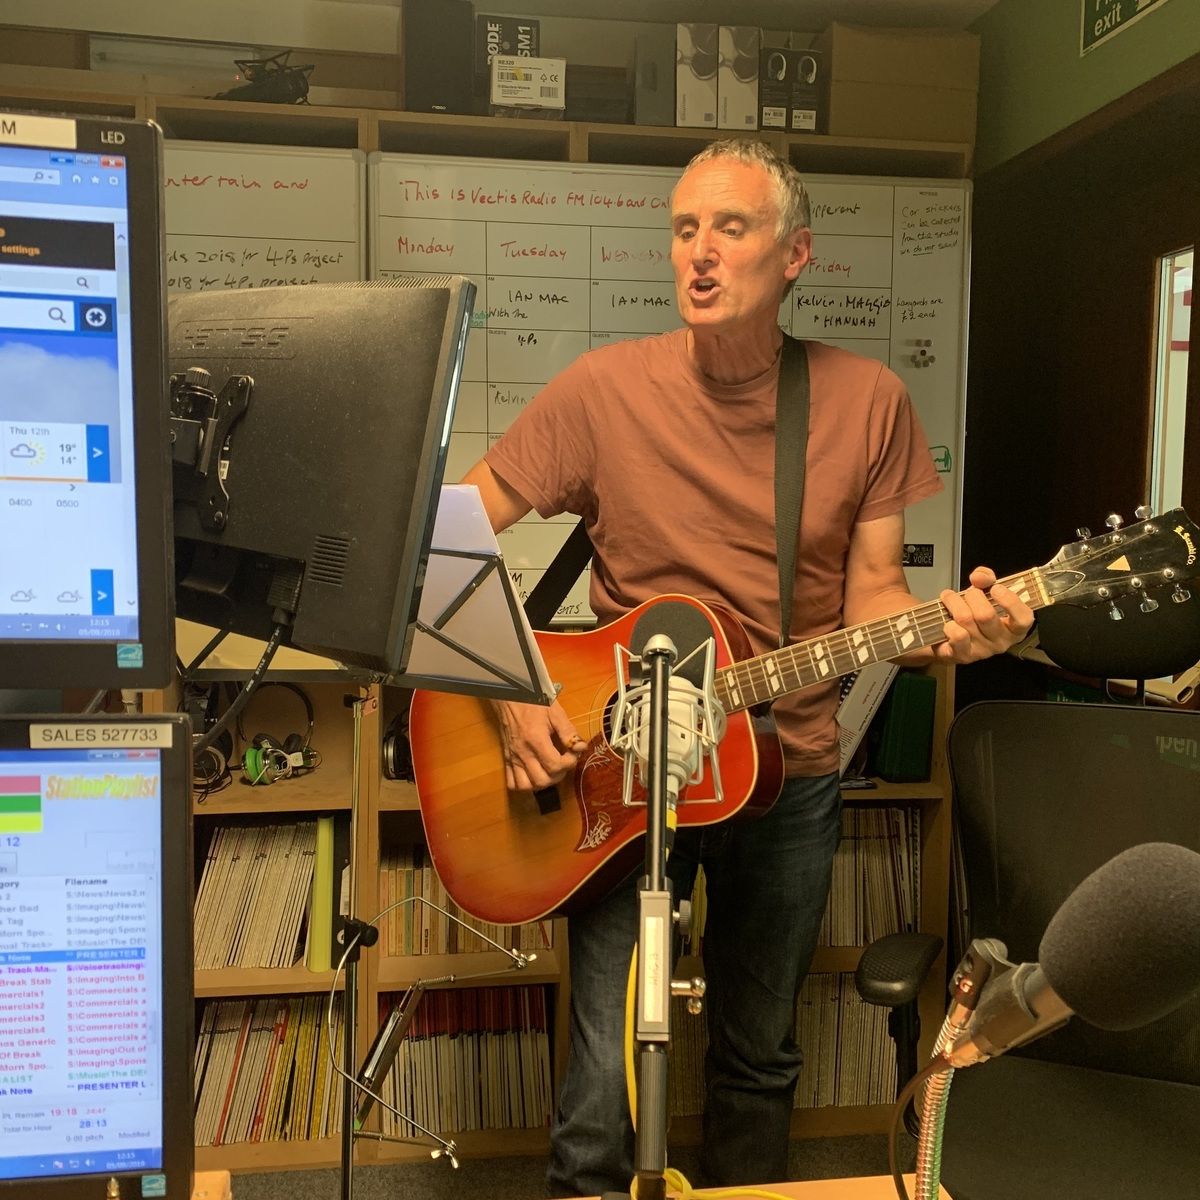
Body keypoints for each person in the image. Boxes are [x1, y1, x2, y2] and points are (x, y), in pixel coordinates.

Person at [461, 137, 1033, 1195]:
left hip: (788, 770)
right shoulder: (600, 392)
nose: (701, 251)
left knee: (758, 1058)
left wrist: (955, 629)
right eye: (686, 228)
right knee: (602, 1079)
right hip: (624, 769)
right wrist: (510, 689)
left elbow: (874, 598)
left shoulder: (866, 401)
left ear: (795, 254)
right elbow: (446, 537)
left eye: (732, 227)